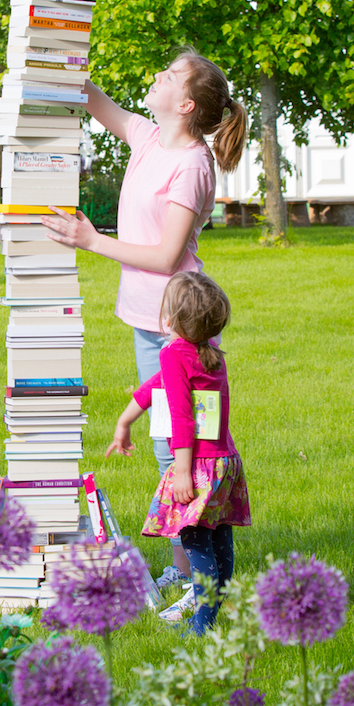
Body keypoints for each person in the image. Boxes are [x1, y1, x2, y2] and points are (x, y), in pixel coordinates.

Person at [42, 48, 248, 585]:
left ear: (184, 103)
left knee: (184, 448)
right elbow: (94, 100)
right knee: (171, 446)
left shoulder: (191, 166)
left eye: (170, 74)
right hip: (146, 321)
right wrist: (56, 54)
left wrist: (92, 241)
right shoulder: (150, 137)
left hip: (178, 327)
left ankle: (194, 574)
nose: (157, 75)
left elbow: (164, 256)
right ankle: (192, 569)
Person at [106, 271, 250, 633]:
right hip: (224, 462)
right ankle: (216, 608)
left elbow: (183, 417)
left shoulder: (173, 352)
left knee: (194, 537)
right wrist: (125, 420)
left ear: (169, 320)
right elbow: (157, 385)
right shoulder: (210, 352)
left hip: (197, 465)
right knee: (218, 535)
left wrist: (182, 470)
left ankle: (202, 622)